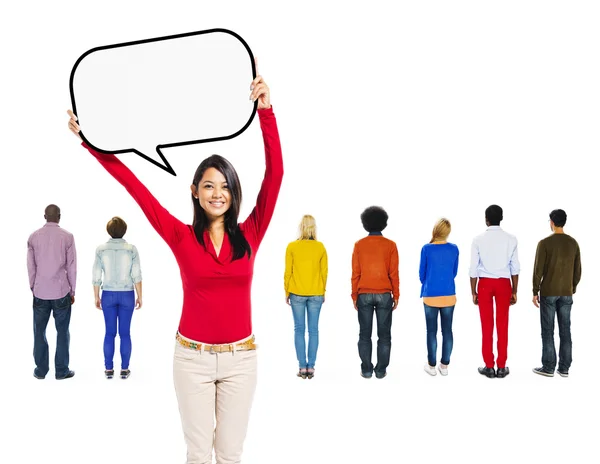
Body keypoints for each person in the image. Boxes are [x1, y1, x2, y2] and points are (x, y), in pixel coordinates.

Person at [68, 70, 283, 463]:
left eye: (226, 187)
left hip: (241, 359)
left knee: (231, 453)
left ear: (235, 193)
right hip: (192, 359)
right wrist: (90, 143)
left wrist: (266, 114)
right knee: (198, 454)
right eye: (209, 186)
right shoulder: (181, 236)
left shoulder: (251, 233)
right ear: (195, 191)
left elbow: (276, 175)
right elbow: (135, 186)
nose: (218, 194)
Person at [469, 205, 520, 379]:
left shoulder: (478, 240)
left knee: (487, 325)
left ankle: (489, 366)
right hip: (504, 284)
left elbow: (473, 268)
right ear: (502, 218)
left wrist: (473, 291)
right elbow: (515, 267)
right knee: (503, 325)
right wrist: (514, 290)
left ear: (486, 219)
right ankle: (501, 366)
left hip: (484, 284)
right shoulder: (511, 239)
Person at [27, 204, 76, 380]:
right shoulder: (68, 237)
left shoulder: (33, 237)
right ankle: (61, 371)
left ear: (44, 216)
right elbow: (72, 267)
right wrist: (72, 290)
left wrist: (33, 286)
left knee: (39, 331)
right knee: (62, 331)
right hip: (61, 291)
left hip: (40, 291)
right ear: (59, 216)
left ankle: (41, 370)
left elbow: (31, 266)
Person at [531, 209, 581, 378]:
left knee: (548, 330)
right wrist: (571, 287)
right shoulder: (573, 243)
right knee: (565, 330)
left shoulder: (544, 243)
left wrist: (535, 290)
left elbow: (538, 270)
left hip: (549, 292)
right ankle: (564, 368)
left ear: (551, 222)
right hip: (566, 293)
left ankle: (548, 367)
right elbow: (578, 270)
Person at [351, 206, 399, 379]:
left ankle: (366, 369)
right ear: (383, 223)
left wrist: (354, 295)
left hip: (363, 293)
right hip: (384, 294)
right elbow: (394, 273)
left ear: (365, 223)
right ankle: (380, 370)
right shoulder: (391, 245)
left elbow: (355, 273)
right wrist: (396, 295)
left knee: (364, 334)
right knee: (384, 336)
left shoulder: (359, 245)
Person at [92, 216, 143, 380]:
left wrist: (96, 296)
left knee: (109, 333)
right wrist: (140, 296)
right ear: (124, 230)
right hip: (127, 293)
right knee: (125, 333)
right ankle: (124, 369)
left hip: (107, 293)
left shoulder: (101, 249)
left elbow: (96, 274)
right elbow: (137, 274)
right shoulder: (131, 249)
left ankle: (108, 369)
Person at [284, 215, 328, 379]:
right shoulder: (320, 247)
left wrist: (286, 291)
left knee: (299, 330)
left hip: (297, 293)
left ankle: (302, 367)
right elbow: (324, 272)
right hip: (316, 292)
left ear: (301, 227)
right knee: (314, 330)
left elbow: (288, 271)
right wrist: (323, 290)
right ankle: (312, 367)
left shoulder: (292, 247)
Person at [419, 218, 459, 376]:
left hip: (430, 296)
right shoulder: (454, 249)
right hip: (449, 295)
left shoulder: (426, 249)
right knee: (447, 331)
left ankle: (431, 365)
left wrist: (430, 281)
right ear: (447, 232)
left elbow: (422, 274)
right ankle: (444, 366)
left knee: (431, 332)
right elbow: (454, 272)